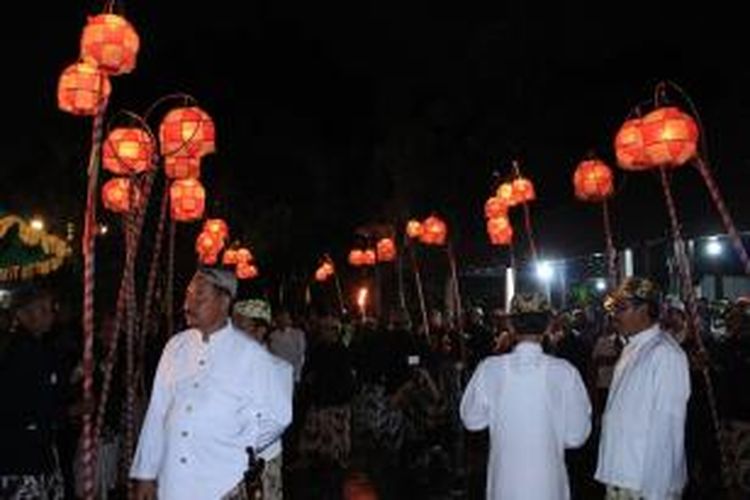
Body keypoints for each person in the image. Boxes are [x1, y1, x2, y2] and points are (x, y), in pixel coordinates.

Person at [130, 267, 293, 500]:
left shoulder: (251, 354)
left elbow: (278, 414)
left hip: (224, 483)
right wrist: (146, 474)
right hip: (173, 481)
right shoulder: (175, 347)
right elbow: (157, 411)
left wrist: (240, 444)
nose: (189, 303)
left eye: (199, 296)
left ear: (224, 301)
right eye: (188, 295)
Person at [460, 292, 592, 499]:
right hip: (549, 488)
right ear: (549, 325)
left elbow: (472, 420)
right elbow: (576, 436)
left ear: (510, 326)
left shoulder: (489, 369)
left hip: (504, 488)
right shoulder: (565, 372)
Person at [596, 277, 690, 500]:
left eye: (621, 308)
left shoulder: (665, 353)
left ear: (645, 309)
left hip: (645, 483)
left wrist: (655, 492)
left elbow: (667, 430)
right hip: (623, 475)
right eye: (613, 308)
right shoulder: (634, 348)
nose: (614, 315)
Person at [0, 284, 66, 500]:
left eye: (51, 310)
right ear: (22, 314)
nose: (50, 317)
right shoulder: (21, 351)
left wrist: (69, 377)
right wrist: (70, 411)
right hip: (22, 455)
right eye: (43, 310)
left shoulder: (37, 347)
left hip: (35, 451)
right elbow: (30, 403)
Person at [232, 298, 288, 500]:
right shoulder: (224, 365)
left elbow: (277, 421)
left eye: (241, 326)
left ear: (260, 330)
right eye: (233, 325)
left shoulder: (278, 368)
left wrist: (239, 445)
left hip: (262, 459)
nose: (233, 333)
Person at [267, 309, 306, 385]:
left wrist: (297, 374)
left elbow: (301, 354)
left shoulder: (298, 334)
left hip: (293, 372)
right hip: (278, 373)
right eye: (280, 317)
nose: (282, 319)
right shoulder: (272, 336)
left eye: (285, 317)